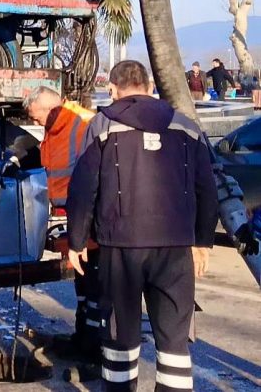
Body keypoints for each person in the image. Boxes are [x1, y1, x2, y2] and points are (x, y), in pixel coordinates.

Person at [68, 61, 218, 391]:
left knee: (121, 337)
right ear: (149, 86)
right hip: (175, 247)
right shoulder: (186, 126)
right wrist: (203, 241)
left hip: (120, 247)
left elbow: (82, 187)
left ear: (113, 88)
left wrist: (76, 241)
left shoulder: (102, 124)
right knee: (174, 342)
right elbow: (207, 187)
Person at [24, 86, 100, 360]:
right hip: (71, 211)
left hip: (89, 213)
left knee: (94, 281)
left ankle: (94, 346)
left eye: (35, 117)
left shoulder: (83, 123)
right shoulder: (55, 126)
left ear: (48, 107)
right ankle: (83, 337)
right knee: (82, 279)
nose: (34, 123)